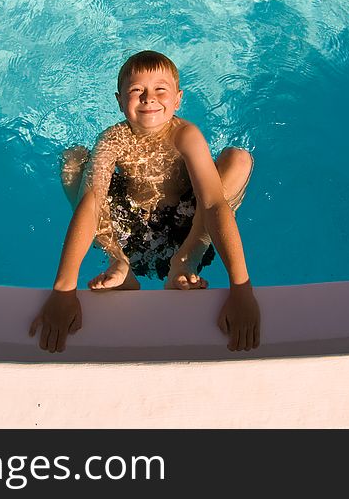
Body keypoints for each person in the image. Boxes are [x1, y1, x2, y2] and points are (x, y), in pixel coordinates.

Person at [28, 50, 260, 352]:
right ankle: (120, 263)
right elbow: (91, 203)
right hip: (127, 228)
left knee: (238, 160)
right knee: (73, 160)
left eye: (159, 90)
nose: (149, 99)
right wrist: (63, 289)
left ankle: (185, 261)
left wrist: (241, 288)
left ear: (177, 99)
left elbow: (214, 204)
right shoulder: (113, 139)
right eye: (137, 91)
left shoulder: (185, 135)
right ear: (119, 100)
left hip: (187, 228)